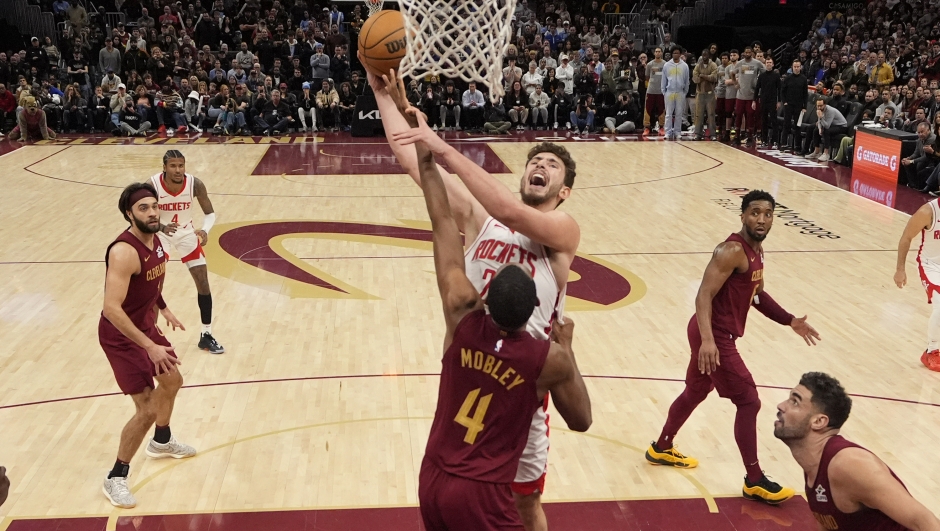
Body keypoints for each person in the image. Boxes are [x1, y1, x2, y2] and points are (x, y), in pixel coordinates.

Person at [375, 68, 582, 531]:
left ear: (563, 190)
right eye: (536, 160)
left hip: (525, 387)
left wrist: (443, 144)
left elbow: (511, 209)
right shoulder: (482, 218)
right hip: (472, 368)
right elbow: (414, 161)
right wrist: (385, 97)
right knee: (462, 485)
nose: (540, 166)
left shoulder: (563, 232)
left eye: (552, 165)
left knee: (524, 504)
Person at [646, 190, 821, 505]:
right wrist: (709, 342)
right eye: (755, 213)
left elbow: (757, 296)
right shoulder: (731, 250)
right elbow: (703, 295)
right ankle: (754, 480)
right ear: (742, 215)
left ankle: (661, 447)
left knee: (696, 392)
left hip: (711, 336)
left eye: (767, 214)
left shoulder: (758, 251)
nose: (762, 219)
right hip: (713, 337)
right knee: (749, 401)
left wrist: (790, 320)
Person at [100, 182, 196, 509]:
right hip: (121, 336)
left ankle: (162, 441)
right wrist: (149, 346)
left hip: (145, 326)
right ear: (129, 214)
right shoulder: (123, 251)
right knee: (147, 408)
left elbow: (151, 280)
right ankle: (116, 476)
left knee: (172, 381)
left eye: (154, 206)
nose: (152, 212)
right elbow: (111, 308)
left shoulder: (156, 240)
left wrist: (164, 307)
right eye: (143, 208)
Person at [775, 372, 940, 528]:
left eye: (795, 402)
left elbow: (924, 521)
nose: (781, 406)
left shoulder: (849, 464)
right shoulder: (814, 463)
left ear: (819, 421)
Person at [149, 150, 224, 355]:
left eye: (181, 165)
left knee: (203, 282)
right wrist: (162, 228)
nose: (178, 170)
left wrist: (205, 230)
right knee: (156, 285)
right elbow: (143, 216)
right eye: (173, 166)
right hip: (161, 234)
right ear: (164, 167)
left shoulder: (195, 184)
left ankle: (206, 335)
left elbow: (209, 213)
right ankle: (150, 336)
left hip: (185, 232)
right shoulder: (152, 185)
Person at [893, 193, 940, 371]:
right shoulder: (928, 211)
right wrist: (900, 269)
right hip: (931, 265)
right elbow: (906, 237)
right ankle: (932, 350)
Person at [731, 46, 766, 145]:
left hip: (751, 95)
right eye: (746, 52)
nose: (747, 54)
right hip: (740, 95)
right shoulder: (740, 63)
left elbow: (765, 73)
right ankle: (737, 137)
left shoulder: (757, 63)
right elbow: (732, 74)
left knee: (750, 116)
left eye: (749, 52)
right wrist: (735, 83)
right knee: (738, 116)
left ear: (752, 53)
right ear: (744, 53)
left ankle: (750, 137)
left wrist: (759, 85)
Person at [780, 60, 808, 151]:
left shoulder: (804, 79)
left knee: (797, 126)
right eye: (794, 67)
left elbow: (805, 94)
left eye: (798, 66)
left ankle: (797, 146)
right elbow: (782, 91)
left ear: (800, 67)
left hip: (799, 106)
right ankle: (783, 143)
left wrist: (805, 107)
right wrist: (784, 102)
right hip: (788, 105)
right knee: (786, 124)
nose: (796, 68)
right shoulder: (788, 78)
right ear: (792, 67)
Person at [662, 47, 689, 141]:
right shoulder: (667, 65)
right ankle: (667, 132)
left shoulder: (684, 66)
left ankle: (677, 132)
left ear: (680, 54)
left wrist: (685, 92)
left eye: (677, 53)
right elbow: (663, 80)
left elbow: (686, 80)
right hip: (669, 92)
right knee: (668, 113)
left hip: (680, 93)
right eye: (674, 53)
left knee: (679, 113)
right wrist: (664, 92)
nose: (675, 55)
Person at [755, 57, 781, 147]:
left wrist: (779, 101)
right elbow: (757, 88)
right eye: (767, 62)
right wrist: (754, 100)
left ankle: (775, 141)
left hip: (773, 101)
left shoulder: (776, 75)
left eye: (770, 62)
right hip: (763, 101)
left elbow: (780, 89)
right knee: (764, 121)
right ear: (765, 64)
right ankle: (764, 140)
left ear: (773, 64)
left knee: (774, 121)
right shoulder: (762, 76)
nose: (769, 64)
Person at [692, 49, 718, 141]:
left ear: (709, 56)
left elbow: (714, 77)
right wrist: (706, 77)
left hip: (710, 94)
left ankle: (712, 134)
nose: (704, 57)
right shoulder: (698, 66)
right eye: (703, 55)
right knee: (698, 115)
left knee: (711, 114)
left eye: (706, 55)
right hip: (700, 93)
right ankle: (698, 134)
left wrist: (703, 76)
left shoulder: (713, 65)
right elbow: (695, 79)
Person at [644, 47, 666, 135]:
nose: (657, 53)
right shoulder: (649, 64)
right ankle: (647, 127)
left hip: (661, 91)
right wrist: (648, 87)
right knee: (648, 109)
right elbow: (647, 77)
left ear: (661, 53)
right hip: (651, 91)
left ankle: (661, 127)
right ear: (654, 53)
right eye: (656, 51)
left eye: (659, 51)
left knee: (661, 109)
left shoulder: (665, 64)